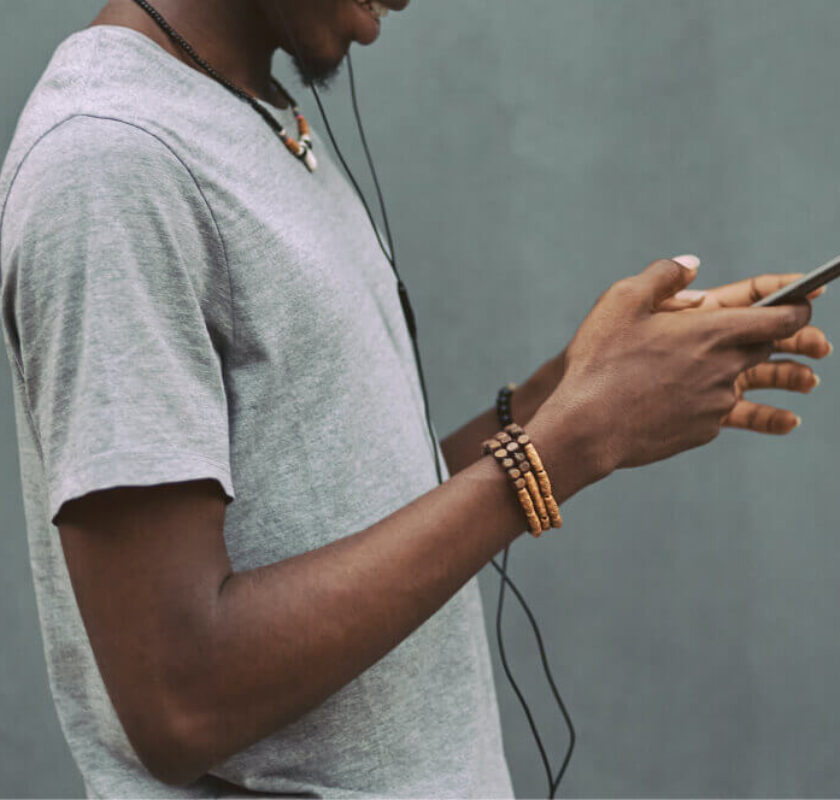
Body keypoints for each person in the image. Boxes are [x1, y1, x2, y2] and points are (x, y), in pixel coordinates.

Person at [0, 0, 831, 797]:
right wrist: (571, 443)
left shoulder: (253, 110)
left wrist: (574, 388)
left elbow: (344, 512)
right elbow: (183, 699)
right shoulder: (111, 161)